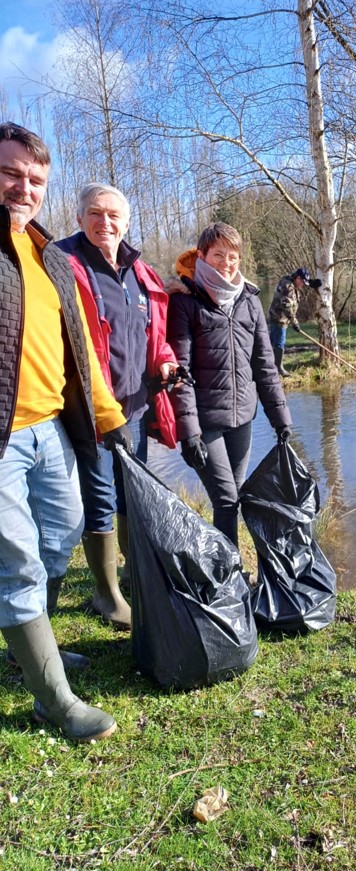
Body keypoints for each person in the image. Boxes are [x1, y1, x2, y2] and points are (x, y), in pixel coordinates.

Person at [0, 122, 132, 741]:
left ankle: (32, 649)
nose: (22, 187)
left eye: (34, 179)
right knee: (20, 562)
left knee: (62, 534)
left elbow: (81, 352)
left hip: (50, 429)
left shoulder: (52, 256)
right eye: (10, 173)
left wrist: (110, 419)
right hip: (2, 440)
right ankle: (51, 698)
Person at [56, 183, 177, 630]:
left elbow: (153, 333)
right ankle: (105, 596)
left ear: (127, 222)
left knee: (132, 493)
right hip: (90, 408)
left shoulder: (139, 270)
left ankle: (132, 574)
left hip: (137, 406)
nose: (104, 222)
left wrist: (164, 361)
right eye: (94, 213)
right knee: (101, 496)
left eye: (113, 215)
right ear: (79, 217)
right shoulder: (65, 264)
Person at [166, 222, 293, 547]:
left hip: (242, 421)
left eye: (233, 256)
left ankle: (224, 561)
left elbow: (265, 364)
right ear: (202, 256)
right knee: (225, 499)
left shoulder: (249, 300)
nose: (226, 262)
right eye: (219, 254)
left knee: (233, 498)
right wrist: (189, 431)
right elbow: (180, 371)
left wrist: (281, 420)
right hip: (206, 424)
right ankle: (231, 571)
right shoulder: (184, 301)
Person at [268, 267, 321, 376]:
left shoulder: (291, 280)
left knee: (271, 341)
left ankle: (266, 364)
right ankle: (278, 368)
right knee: (279, 342)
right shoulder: (288, 287)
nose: (303, 285)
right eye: (302, 282)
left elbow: (297, 282)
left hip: (279, 316)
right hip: (279, 317)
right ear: (297, 278)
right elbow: (286, 306)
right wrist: (294, 322)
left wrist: (310, 283)